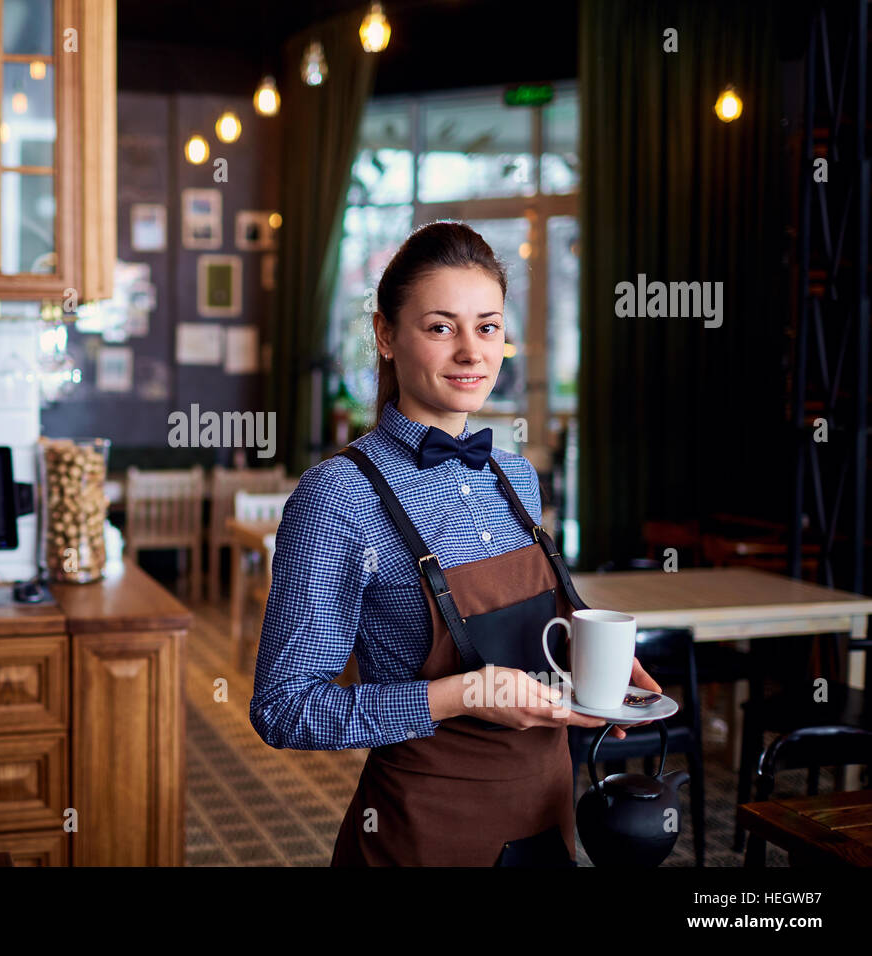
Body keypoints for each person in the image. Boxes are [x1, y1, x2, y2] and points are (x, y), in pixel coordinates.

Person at [250, 221, 660, 866]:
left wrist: (595, 670)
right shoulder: (339, 496)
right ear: (385, 335)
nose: (472, 352)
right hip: (424, 832)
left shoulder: (516, 475)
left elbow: (531, 640)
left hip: (546, 820)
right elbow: (285, 710)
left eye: (488, 326)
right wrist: (465, 694)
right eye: (441, 327)